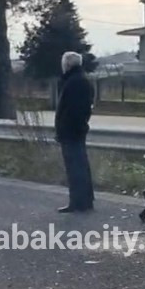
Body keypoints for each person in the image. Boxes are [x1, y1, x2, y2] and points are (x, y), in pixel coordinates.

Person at [55, 52, 95, 213]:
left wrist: (64, 128)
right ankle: (85, 200)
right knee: (81, 165)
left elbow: (72, 110)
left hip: (71, 130)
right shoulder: (81, 80)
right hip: (77, 129)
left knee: (75, 167)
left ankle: (78, 202)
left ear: (67, 64)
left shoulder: (73, 82)